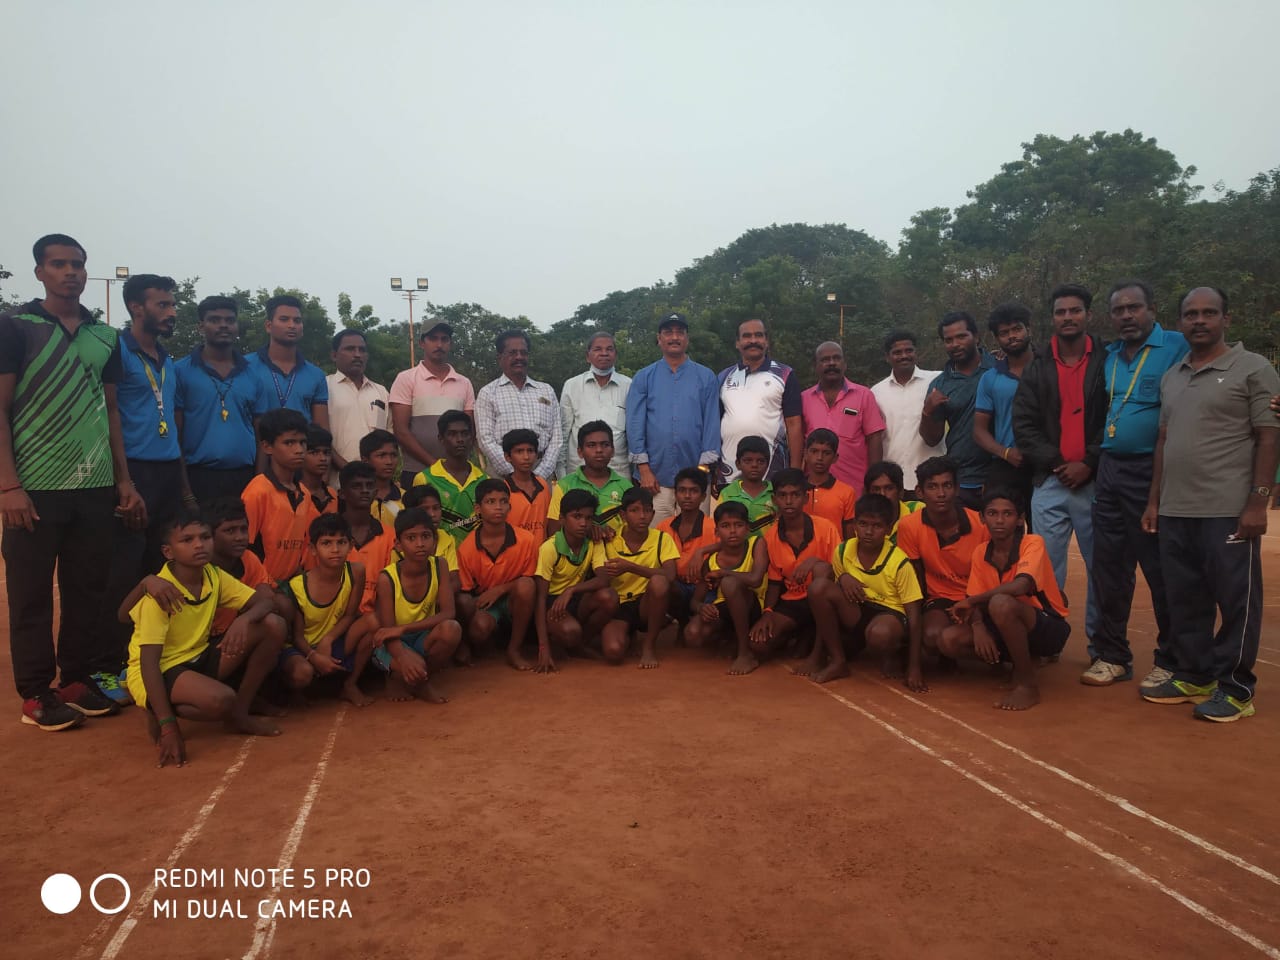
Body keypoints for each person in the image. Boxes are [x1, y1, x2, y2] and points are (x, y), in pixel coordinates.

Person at [2, 233, 142, 729]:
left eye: (78, 264)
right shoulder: (14, 327)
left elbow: (110, 411)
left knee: (88, 590)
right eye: (59, 264)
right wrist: (8, 487)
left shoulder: (105, 337)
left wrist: (123, 480)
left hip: (95, 486)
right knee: (31, 596)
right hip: (34, 488)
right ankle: (37, 695)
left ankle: (76, 680)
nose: (71, 273)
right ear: (38, 271)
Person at [1140, 287, 1280, 722]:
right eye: (1190, 314)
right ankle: (1194, 674)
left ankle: (1236, 688)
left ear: (1226, 318)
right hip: (1176, 510)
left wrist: (1258, 501)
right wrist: (1154, 501)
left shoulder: (1254, 368)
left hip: (1227, 508)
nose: (1199, 320)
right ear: (1179, 322)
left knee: (1237, 600)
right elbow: (1164, 439)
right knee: (1186, 599)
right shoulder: (1174, 374)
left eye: (1208, 313)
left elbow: (1269, 435)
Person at [1082, 281, 1188, 688]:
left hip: (1152, 471)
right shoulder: (1109, 357)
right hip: (1110, 468)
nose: (1126, 316)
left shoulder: (1177, 346)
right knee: (1109, 566)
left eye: (1134, 308)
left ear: (1152, 309)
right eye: (1119, 310)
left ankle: (1171, 659)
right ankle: (1112, 656)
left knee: (1160, 568)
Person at [125, 511, 286, 766]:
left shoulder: (213, 574)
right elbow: (148, 662)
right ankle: (158, 710)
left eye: (205, 537)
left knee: (273, 625)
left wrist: (243, 619)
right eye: (187, 540)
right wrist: (169, 728)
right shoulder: (160, 594)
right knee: (221, 700)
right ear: (168, 552)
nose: (199, 545)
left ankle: (240, 715)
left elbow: (266, 602)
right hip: (161, 668)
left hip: (198, 656)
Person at [101, 274, 195, 693]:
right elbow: (111, 415)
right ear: (136, 308)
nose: (172, 312)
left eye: (172, 305)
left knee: (162, 566)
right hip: (134, 472)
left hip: (166, 472)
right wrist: (124, 480)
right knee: (125, 570)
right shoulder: (117, 351)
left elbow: (170, 421)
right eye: (163, 305)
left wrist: (182, 482)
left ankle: (156, 653)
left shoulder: (165, 357)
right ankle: (114, 662)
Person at [1012, 283, 1106, 645]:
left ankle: (1104, 647)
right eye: (1061, 312)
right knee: (1045, 569)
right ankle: (1048, 641)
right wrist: (1057, 463)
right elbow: (1024, 424)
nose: (1068, 317)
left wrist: (1089, 461)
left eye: (1075, 310)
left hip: (1096, 482)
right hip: (1049, 483)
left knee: (1102, 569)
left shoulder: (1106, 361)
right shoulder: (1038, 367)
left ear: (1088, 315)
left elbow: (1114, 417)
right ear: (1051, 319)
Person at [939, 490, 1070, 711]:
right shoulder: (981, 551)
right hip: (1005, 621)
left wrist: (972, 602)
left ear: (1020, 519)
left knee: (1000, 603)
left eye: (1008, 514)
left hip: (1047, 626)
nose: (999, 520)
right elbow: (974, 596)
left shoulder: (1032, 543)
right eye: (992, 513)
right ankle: (1020, 662)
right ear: (982, 518)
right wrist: (978, 626)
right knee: (948, 640)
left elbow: (1021, 586)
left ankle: (1027, 685)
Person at [803, 494, 925, 688]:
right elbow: (833, 587)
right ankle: (838, 661)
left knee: (880, 634)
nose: (868, 531)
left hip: (889, 615)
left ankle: (894, 654)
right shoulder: (843, 550)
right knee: (818, 588)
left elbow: (914, 615)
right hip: (858, 609)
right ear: (854, 525)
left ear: (888, 528)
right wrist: (842, 578)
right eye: (863, 524)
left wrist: (915, 668)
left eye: (876, 526)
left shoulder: (899, 562)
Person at [744, 469, 841, 675]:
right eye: (783, 495)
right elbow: (774, 583)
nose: (789, 501)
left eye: (795, 495)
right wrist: (767, 613)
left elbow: (839, 570)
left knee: (821, 571)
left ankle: (818, 652)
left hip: (825, 599)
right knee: (758, 643)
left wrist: (813, 562)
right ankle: (800, 633)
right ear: (774, 499)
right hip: (793, 600)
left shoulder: (826, 528)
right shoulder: (771, 536)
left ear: (805, 498)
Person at [626, 312, 720, 522]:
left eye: (680, 332)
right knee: (658, 538)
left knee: (695, 537)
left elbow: (712, 424)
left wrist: (702, 471)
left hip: (696, 477)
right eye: (668, 332)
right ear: (659, 339)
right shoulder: (644, 377)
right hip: (656, 478)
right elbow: (635, 424)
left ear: (687, 338)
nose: (674, 337)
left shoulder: (706, 377)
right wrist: (644, 470)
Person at [175, 295, 269, 503]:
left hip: (244, 476)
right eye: (215, 320)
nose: (223, 326)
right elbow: (176, 436)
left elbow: (261, 436)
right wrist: (185, 490)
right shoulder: (180, 371)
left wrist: (259, 481)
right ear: (201, 326)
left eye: (230, 320)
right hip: (198, 476)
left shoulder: (253, 374)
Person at [895, 456, 989, 664]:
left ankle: (998, 656)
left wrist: (975, 614)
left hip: (976, 597)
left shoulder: (981, 525)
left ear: (956, 489)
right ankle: (950, 654)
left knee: (953, 640)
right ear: (920, 492)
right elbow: (915, 575)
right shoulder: (909, 526)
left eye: (947, 485)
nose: (941, 494)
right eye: (932, 487)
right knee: (931, 637)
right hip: (939, 597)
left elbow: (990, 576)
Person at [282, 514, 375, 706]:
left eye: (341, 542)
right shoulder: (298, 586)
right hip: (305, 648)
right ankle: (293, 690)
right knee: (302, 673)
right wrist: (314, 656)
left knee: (373, 621)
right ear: (313, 549)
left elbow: (350, 615)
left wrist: (328, 639)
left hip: (333, 640)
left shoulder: (356, 572)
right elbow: (297, 637)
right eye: (326, 543)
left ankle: (349, 684)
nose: (335, 549)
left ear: (350, 545)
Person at [371, 507, 462, 703]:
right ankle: (404, 678)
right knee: (409, 661)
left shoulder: (440, 565)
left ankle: (416, 678)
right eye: (411, 538)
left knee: (451, 630)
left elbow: (448, 613)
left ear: (435, 540)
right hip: (391, 644)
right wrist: (403, 657)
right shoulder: (388, 577)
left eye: (425, 536)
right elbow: (387, 632)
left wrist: (403, 629)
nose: (420, 544)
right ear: (398, 544)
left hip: (418, 635)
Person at [533, 488, 619, 672]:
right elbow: (540, 598)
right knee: (570, 631)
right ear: (562, 519)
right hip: (552, 603)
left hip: (574, 598)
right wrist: (543, 647)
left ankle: (580, 644)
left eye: (588, 518)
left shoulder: (593, 542)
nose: (583, 523)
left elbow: (604, 579)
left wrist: (571, 590)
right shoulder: (550, 548)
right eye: (577, 517)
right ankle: (555, 643)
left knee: (609, 597)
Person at [591, 486, 679, 668]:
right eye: (634, 510)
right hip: (620, 605)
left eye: (647, 511)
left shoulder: (662, 538)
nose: (642, 516)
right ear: (623, 515)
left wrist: (630, 567)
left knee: (659, 582)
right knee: (613, 652)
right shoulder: (609, 539)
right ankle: (626, 634)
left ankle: (649, 646)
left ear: (653, 514)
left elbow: (670, 575)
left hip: (646, 604)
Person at [456, 479, 538, 670]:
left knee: (526, 586)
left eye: (503, 501)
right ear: (478, 508)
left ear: (510, 506)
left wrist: (500, 589)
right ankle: (485, 643)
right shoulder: (467, 548)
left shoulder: (526, 539)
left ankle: (514, 649)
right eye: (490, 502)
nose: (498, 507)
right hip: (487, 604)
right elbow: (467, 591)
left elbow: (532, 578)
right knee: (479, 629)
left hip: (515, 600)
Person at [920, 312, 994, 510]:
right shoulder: (940, 384)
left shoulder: (999, 369)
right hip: (962, 480)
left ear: (976, 336)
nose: (955, 344)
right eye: (949, 340)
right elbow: (931, 439)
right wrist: (927, 411)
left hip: (1000, 474)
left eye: (961, 336)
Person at [388, 321, 475, 488]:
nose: (439, 344)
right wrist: (437, 467)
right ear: (422, 342)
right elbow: (400, 431)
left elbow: (469, 430)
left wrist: (449, 468)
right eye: (433, 339)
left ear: (450, 344)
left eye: (444, 339)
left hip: (457, 474)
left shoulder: (464, 383)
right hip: (416, 472)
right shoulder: (406, 379)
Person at [717, 318, 803, 486]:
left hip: (773, 470)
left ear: (767, 340)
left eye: (759, 335)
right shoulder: (723, 377)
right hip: (728, 471)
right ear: (737, 342)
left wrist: (795, 470)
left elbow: (794, 424)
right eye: (747, 336)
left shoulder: (785, 374)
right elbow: (715, 424)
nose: (753, 340)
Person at [683, 501, 768, 666]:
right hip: (725, 609)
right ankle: (729, 637)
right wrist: (702, 608)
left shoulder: (756, 544)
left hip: (755, 607)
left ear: (747, 528)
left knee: (729, 583)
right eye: (725, 526)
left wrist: (723, 573)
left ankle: (745, 653)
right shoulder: (711, 561)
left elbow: (756, 579)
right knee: (693, 634)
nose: (733, 531)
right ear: (716, 531)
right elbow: (695, 601)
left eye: (738, 525)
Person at [474, 330, 561, 479]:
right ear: (500, 357)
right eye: (512, 353)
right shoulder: (488, 393)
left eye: (523, 352)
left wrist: (540, 474)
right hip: (503, 474)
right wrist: (514, 475)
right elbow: (485, 439)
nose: (519, 357)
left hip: (542, 471)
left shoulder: (546, 390)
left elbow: (557, 438)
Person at [973, 304, 1034, 515]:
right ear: (997, 339)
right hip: (1006, 464)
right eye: (1004, 333)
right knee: (1002, 532)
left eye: (1017, 329)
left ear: (1029, 329)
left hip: (1045, 464)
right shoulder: (990, 378)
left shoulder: (1049, 368)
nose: (1012, 336)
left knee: (1042, 536)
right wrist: (1006, 453)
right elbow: (979, 431)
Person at [802, 340, 885, 493]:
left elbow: (874, 439)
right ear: (815, 366)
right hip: (813, 490)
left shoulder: (863, 395)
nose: (831, 363)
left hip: (855, 488)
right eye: (825, 360)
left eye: (836, 358)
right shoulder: (804, 399)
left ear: (845, 364)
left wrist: (873, 482)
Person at [242, 408, 315, 582]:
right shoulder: (257, 491)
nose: (299, 450)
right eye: (289, 443)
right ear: (267, 446)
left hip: (289, 583)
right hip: (258, 587)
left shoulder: (304, 493)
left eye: (302, 442)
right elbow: (244, 549)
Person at [870, 330, 942, 493]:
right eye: (897, 352)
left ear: (916, 352)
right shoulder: (876, 392)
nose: (904, 356)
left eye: (909, 350)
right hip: (892, 484)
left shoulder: (936, 382)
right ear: (887, 357)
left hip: (931, 482)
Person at [245, 294, 328, 427]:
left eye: (297, 321)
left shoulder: (316, 375)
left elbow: (322, 431)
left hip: (301, 446)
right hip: (256, 446)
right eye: (284, 319)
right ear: (268, 325)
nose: (292, 325)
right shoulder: (245, 367)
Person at [559, 331, 632, 477]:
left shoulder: (630, 386)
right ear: (588, 356)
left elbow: (634, 433)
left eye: (609, 349)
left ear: (615, 355)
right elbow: (563, 433)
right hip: (579, 472)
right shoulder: (572, 385)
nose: (604, 353)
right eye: (598, 349)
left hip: (618, 473)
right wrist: (561, 473)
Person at [547, 421, 633, 538]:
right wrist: (587, 530)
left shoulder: (625, 486)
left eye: (605, 445)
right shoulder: (565, 485)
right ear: (580, 452)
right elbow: (554, 530)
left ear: (613, 451)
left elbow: (633, 529)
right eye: (591, 445)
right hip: (577, 554)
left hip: (616, 553)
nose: (599, 450)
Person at [325, 329, 388, 484]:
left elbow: (388, 438)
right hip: (336, 483)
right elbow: (319, 437)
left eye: (362, 350)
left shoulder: (381, 392)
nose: (357, 354)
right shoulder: (324, 387)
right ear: (334, 355)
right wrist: (349, 470)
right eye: (350, 349)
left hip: (375, 485)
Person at [657, 466, 718, 627]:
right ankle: (680, 621)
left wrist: (702, 551)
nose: (687, 496)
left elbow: (729, 545)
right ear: (676, 494)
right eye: (682, 490)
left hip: (705, 589)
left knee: (699, 632)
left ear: (703, 496)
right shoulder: (664, 526)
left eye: (694, 491)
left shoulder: (714, 527)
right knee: (662, 584)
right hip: (677, 587)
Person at [413, 410, 485, 541]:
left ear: (472, 437)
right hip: (441, 557)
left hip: (475, 557)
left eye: (465, 433)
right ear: (441, 438)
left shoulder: (483, 480)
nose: (460, 439)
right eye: (452, 434)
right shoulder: (424, 479)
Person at [337, 462, 397, 615]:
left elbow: (393, 586)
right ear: (342, 493)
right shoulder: (329, 533)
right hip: (333, 618)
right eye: (356, 486)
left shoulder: (391, 536)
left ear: (376, 491)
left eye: (369, 485)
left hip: (375, 619)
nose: (364, 491)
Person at [801, 428, 856, 538]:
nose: (820, 458)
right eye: (814, 451)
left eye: (826, 453)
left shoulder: (846, 492)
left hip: (833, 552)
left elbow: (849, 536)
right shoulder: (796, 489)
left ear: (835, 458)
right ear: (806, 454)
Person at [718, 436, 777, 532]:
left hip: (770, 546)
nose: (754, 465)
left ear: (767, 464)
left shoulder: (775, 493)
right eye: (748, 461)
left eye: (760, 461)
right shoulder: (727, 493)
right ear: (738, 464)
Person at [502, 429, 551, 541]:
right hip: (516, 555)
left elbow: (549, 523)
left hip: (543, 555)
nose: (526, 457)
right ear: (507, 457)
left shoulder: (542, 485)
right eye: (519, 451)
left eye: (530, 451)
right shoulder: (504, 490)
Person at [864, 461, 922, 543]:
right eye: (876, 489)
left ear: (901, 492)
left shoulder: (917, 511)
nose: (882, 494)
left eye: (889, 488)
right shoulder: (862, 520)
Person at [360, 428, 403, 525]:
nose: (389, 462)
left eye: (393, 455)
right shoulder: (356, 498)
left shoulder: (405, 498)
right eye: (382, 455)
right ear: (365, 460)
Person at [301, 424, 338, 515]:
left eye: (327, 453)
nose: (323, 458)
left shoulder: (332, 494)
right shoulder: (293, 494)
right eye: (314, 453)